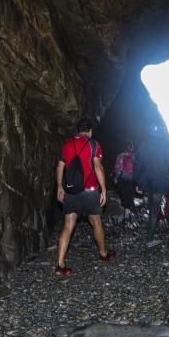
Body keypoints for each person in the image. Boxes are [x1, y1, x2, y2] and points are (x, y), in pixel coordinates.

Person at [55, 117, 114, 276]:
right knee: (96, 223)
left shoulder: (66, 145)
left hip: (71, 192)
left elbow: (60, 167)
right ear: (89, 130)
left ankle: (60, 265)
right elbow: (98, 166)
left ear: (77, 130)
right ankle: (103, 254)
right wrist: (103, 189)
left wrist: (59, 186)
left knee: (68, 226)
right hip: (89, 191)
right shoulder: (93, 144)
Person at [133, 122, 169, 248]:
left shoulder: (142, 145)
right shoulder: (165, 146)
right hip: (159, 181)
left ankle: (151, 232)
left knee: (152, 206)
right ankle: (150, 239)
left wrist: (136, 182)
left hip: (146, 182)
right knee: (155, 209)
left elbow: (137, 164)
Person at [113, 141, 136, 222]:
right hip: (131, 178)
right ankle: (128, 212)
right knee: (129, 195)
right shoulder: (134, 156)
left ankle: (125, 213)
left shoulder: (120, 156)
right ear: (132, 148)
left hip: (122, 178)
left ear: (124, 147)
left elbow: (117, 168)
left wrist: (115, 177)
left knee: (123, 195)